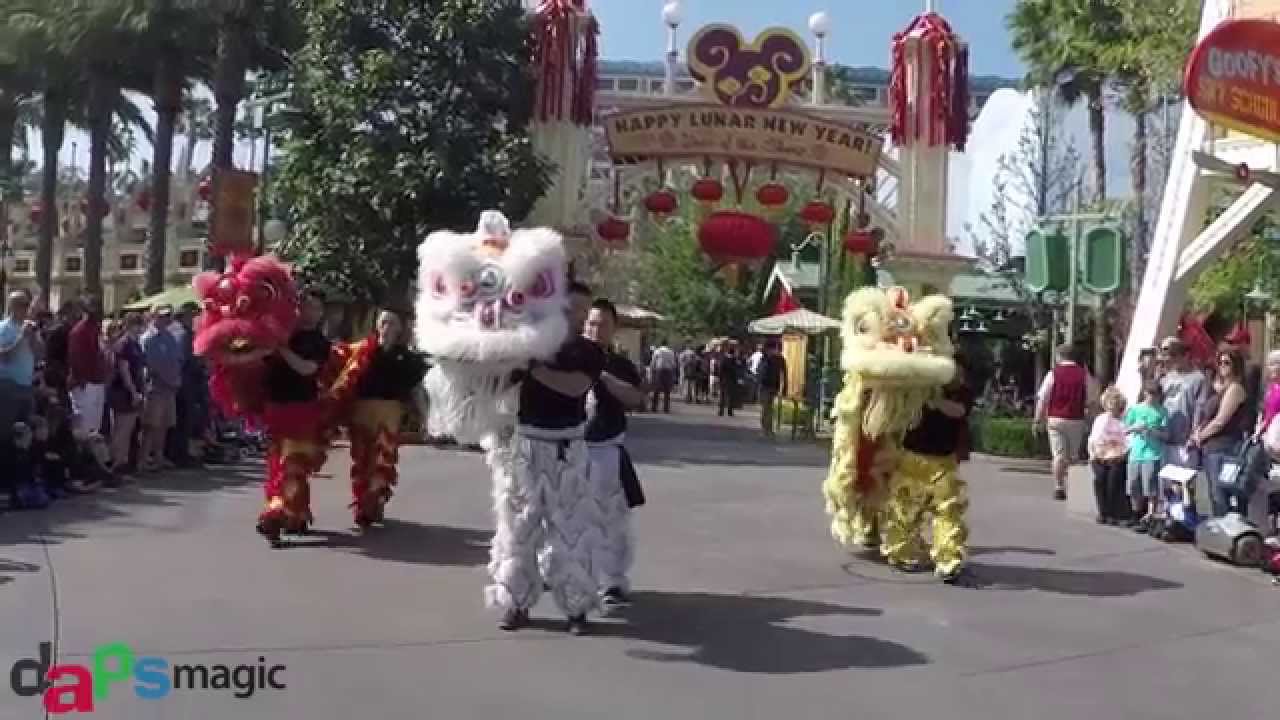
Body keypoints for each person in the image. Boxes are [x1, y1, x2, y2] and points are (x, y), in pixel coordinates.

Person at [489, 281, 606, 636]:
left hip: (567, 448)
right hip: (526, 445)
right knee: (518, 530)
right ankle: (515, 602)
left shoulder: (589, 351)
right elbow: (498, 383)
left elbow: (575, 387)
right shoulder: (529, 342)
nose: (580, 316)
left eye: (585, 310)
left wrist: (532, 368)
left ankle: (576, 607)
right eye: (573, 308)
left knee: (571, 531)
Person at [881, 356, 975, 585]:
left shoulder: (959, 389)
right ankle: (901, 552)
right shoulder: (913, 386)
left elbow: (960, 411)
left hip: (943, 461)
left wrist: (934, 402)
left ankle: (948, 560)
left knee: (947, 511)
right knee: (904, 509)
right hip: (910, 457)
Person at [583, 298, 647, 608]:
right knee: (570, 518)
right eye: (591, 324)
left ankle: (613, 581)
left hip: (607, 450)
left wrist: (604, 377)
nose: (596, 330)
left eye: (603, 325)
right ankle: (569, 576)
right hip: (573, 451)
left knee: (613, 521)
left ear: (613, 329)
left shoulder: (619, 364)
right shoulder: (568, 357)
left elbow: (635, 398)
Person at [257, 289, 333, 546]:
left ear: (321, 313)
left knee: (294, 465)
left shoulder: (319, 343)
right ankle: (283, 515)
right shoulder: (280, 333)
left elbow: (307, 369)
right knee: (280, 466)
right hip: (276, 408)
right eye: (305, 305)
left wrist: (282, 350)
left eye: (315, 307)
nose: (309, 311)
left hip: (302, 409)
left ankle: (283, 514)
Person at [348, 309, 428, 529]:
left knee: (383, 458)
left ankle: (372, 503)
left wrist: (423, 417)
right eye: (383, 322)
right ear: (377, 326)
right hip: (362, 410)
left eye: (392, 323)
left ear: (400, 328)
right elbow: (344, 383)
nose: (387, 327)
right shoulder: (362, 351)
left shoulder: (407, 358)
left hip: (390, 410)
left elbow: (416, 389)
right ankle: (362, 501)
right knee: (362, 459)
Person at [1033, 344, 1100, 501]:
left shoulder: (1053, 374)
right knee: (1073, 455)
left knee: (1058, 455)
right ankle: (1074, 488)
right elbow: (1092, 400)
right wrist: (1091, 419)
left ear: (1059, 356)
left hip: (1055, 418)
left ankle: (1059, 486)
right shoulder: (1084, 375)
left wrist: (1038, 419)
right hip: (1076, 419)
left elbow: (1043, 399)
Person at [1191, 349, 1250, 517]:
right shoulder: (1218, 389)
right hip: (1210, 447)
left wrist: (1200, 437)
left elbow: (1220, 421)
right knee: (1213, 492)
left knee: (1220, 492)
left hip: (1225, 446)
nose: (1222, 366)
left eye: (1227, 363)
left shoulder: (1235, 389)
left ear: (1236, 366)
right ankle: (1219, 528)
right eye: (1220, 362)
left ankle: (1227, 530)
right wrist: (1196, 433)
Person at [140, 306, 183, 472]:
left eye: (168, 316)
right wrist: (165, 378)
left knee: (165, 424)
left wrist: (175, 380)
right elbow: (150, 365)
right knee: (151, 425)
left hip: (169, 388)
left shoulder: (170, 337)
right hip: (155, 388)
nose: (166, 319)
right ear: (153, 317)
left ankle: (159, 456)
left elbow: (177, 360)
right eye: (162, 316)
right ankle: (143, 459)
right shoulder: (148, 339)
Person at [1158, 337, 1206, 473]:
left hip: (1184, 441)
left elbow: (1199, 408)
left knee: (1183, 485)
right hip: (1165, 438)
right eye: (1167, 356)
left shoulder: (1198, 379)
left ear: (1185, 355)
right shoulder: (1165, 378)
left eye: (1174, 355)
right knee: (1166, 484)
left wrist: (1194, 434)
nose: (1171, 360)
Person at [1125, 383, 1167, 531]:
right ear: (1144, 393)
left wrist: (1152, 431)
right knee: (1133, 485)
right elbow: (1124, 429)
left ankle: (1149, 516)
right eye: (1149, 393)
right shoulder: (1135, 409)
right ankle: (1136, 515)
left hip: (1152, 453)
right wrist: (1134, 428)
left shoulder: (1162, 411)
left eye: (1155, 394)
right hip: (1136, 452)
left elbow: (1166, 434)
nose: (1151, 397)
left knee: (1150, 486)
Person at [67, 297, 110, 441]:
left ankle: (93, 458)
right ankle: (82, 458)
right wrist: (82, 379)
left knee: (95, 426)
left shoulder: (95, 329)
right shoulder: (79, 331)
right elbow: (76, 358)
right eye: (91, 307)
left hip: (97, 381)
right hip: (85, 383)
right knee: (84, 425)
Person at [107, 313, 145, 476]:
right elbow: (124, 370)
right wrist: (133, 392)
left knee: (129, 429)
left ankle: (122, 462)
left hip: (134, 390)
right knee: (121, 429)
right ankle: (116, 464)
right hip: (123, 392)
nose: (139, 327)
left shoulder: (135, 344)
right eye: (136, 324)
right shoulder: (124, 344)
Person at [0, 290, 40, 443]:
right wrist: (20, 338)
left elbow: (40, 355)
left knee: (26, 434)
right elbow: (4, 357)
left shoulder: (29, 328)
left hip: (26, 387)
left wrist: (33, 339)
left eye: (28, 305)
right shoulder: (3, 328)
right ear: (13, 307)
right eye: (24, 305)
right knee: (7, 433)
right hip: (8, 387)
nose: (27, 308)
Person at [1086, 387, 1130, 526]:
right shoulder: (1100, 419)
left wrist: (1122, 454)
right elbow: (1093, 438)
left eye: (1116, 406)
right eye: (1111, 405)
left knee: (1113, 482)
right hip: (1099, 455)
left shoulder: (1124, 420)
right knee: (1099, 480)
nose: (1113, 409)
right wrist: (1092, 454)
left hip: (1117, 457)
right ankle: (1103, 512)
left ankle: (1112, 513)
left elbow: (1127, 440)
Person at [757, 340, 787, 438]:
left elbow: (784, 374)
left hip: (769, 386)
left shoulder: (775, 359)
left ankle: (767, 429)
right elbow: (760, 371)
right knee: (767, 408)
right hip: (768, 386)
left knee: (768, 408)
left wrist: (784, 388)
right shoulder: (767, 358)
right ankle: (766, 429)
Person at [648, 339, 676, 413]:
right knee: (667, 390)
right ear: (667, 344)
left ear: (661, 344)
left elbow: (653, 361)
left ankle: (654, 407)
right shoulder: (671, 351)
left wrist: (652, 370)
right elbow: (673, 363)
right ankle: (666, 408)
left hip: (659, 370)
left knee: (656, 389)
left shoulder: (657, 351)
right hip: (668, 371)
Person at [716, 343, 741, 417]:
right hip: (731, 380)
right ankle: (730, 411)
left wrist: (719, 378)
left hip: (723, 380)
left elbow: (720, 370)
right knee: (730, 396)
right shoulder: (734, 361)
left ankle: (721, 411)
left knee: (722, 396)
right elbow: (736, 370)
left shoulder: (724, 359)